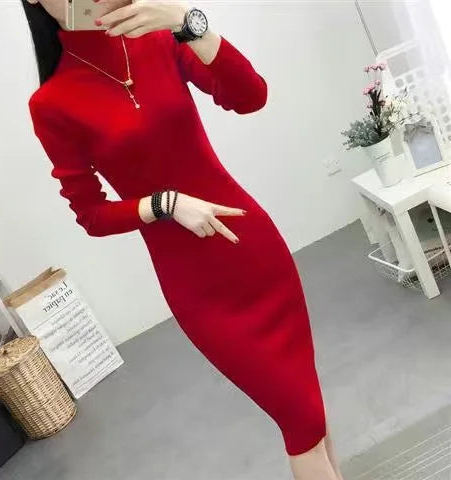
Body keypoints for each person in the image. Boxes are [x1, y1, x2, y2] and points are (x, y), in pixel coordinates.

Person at [22, 1, 343, 478]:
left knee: (308, 410)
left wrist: (187, 22)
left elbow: (250, 96)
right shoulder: (52, 103)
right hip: (198, 287)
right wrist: (165, 204)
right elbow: (91, 213)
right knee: (299, 422)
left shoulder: (159, 40)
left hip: (253, 248)